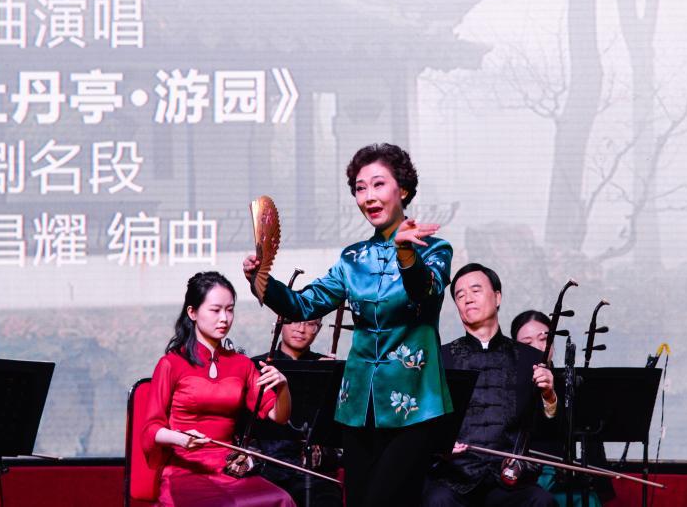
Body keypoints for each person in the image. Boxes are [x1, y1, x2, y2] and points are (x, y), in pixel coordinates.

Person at [243, 142, 453, 507]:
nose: (368, 196)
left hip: (414, 405)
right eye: (360, 188)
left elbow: (424, 290)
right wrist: (261, 279)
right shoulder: (352, 259)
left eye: (378, 184)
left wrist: (406, 252)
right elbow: (303, 304)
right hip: (357, 406)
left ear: (403, 189)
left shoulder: (434, 249)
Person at [140, 271, 294, 507]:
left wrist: (283, 388)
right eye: (215, 310)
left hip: (229, 467)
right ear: (192, 312)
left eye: (230, 310)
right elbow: (150, 430)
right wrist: (180, 438)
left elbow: (279, 416)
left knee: (281, 499)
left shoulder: (242, 365)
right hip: (185, 467)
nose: (224, 318)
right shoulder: (171, 363)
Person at [424, 264, 557, 507]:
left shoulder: (530, 359)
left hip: (509, 480)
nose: (468, 299)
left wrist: (549, 395)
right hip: (455, 480)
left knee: (541, 501)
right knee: (437, 500)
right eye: (460, 295)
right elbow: (425, 425)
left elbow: (545, 430)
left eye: (476, 290)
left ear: (497, 297)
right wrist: (440, 445)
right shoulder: (440, 359)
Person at [509, 311, 613, 506]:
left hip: (564, 475)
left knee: (588, 500)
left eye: (543, 339)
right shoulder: (509, 385)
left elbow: (587, 437)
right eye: (527, 342)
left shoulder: (569, 383)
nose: (538, 347)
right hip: (525, 475)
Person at [251, 318, 343, 507]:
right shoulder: (256, 365)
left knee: (327, 499)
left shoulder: (326, 366)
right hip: (268, 465)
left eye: (310, 324)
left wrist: (331, 378)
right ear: (280, 323)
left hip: (313, 468)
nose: (301, 329)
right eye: (294, 321)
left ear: (318, 328)